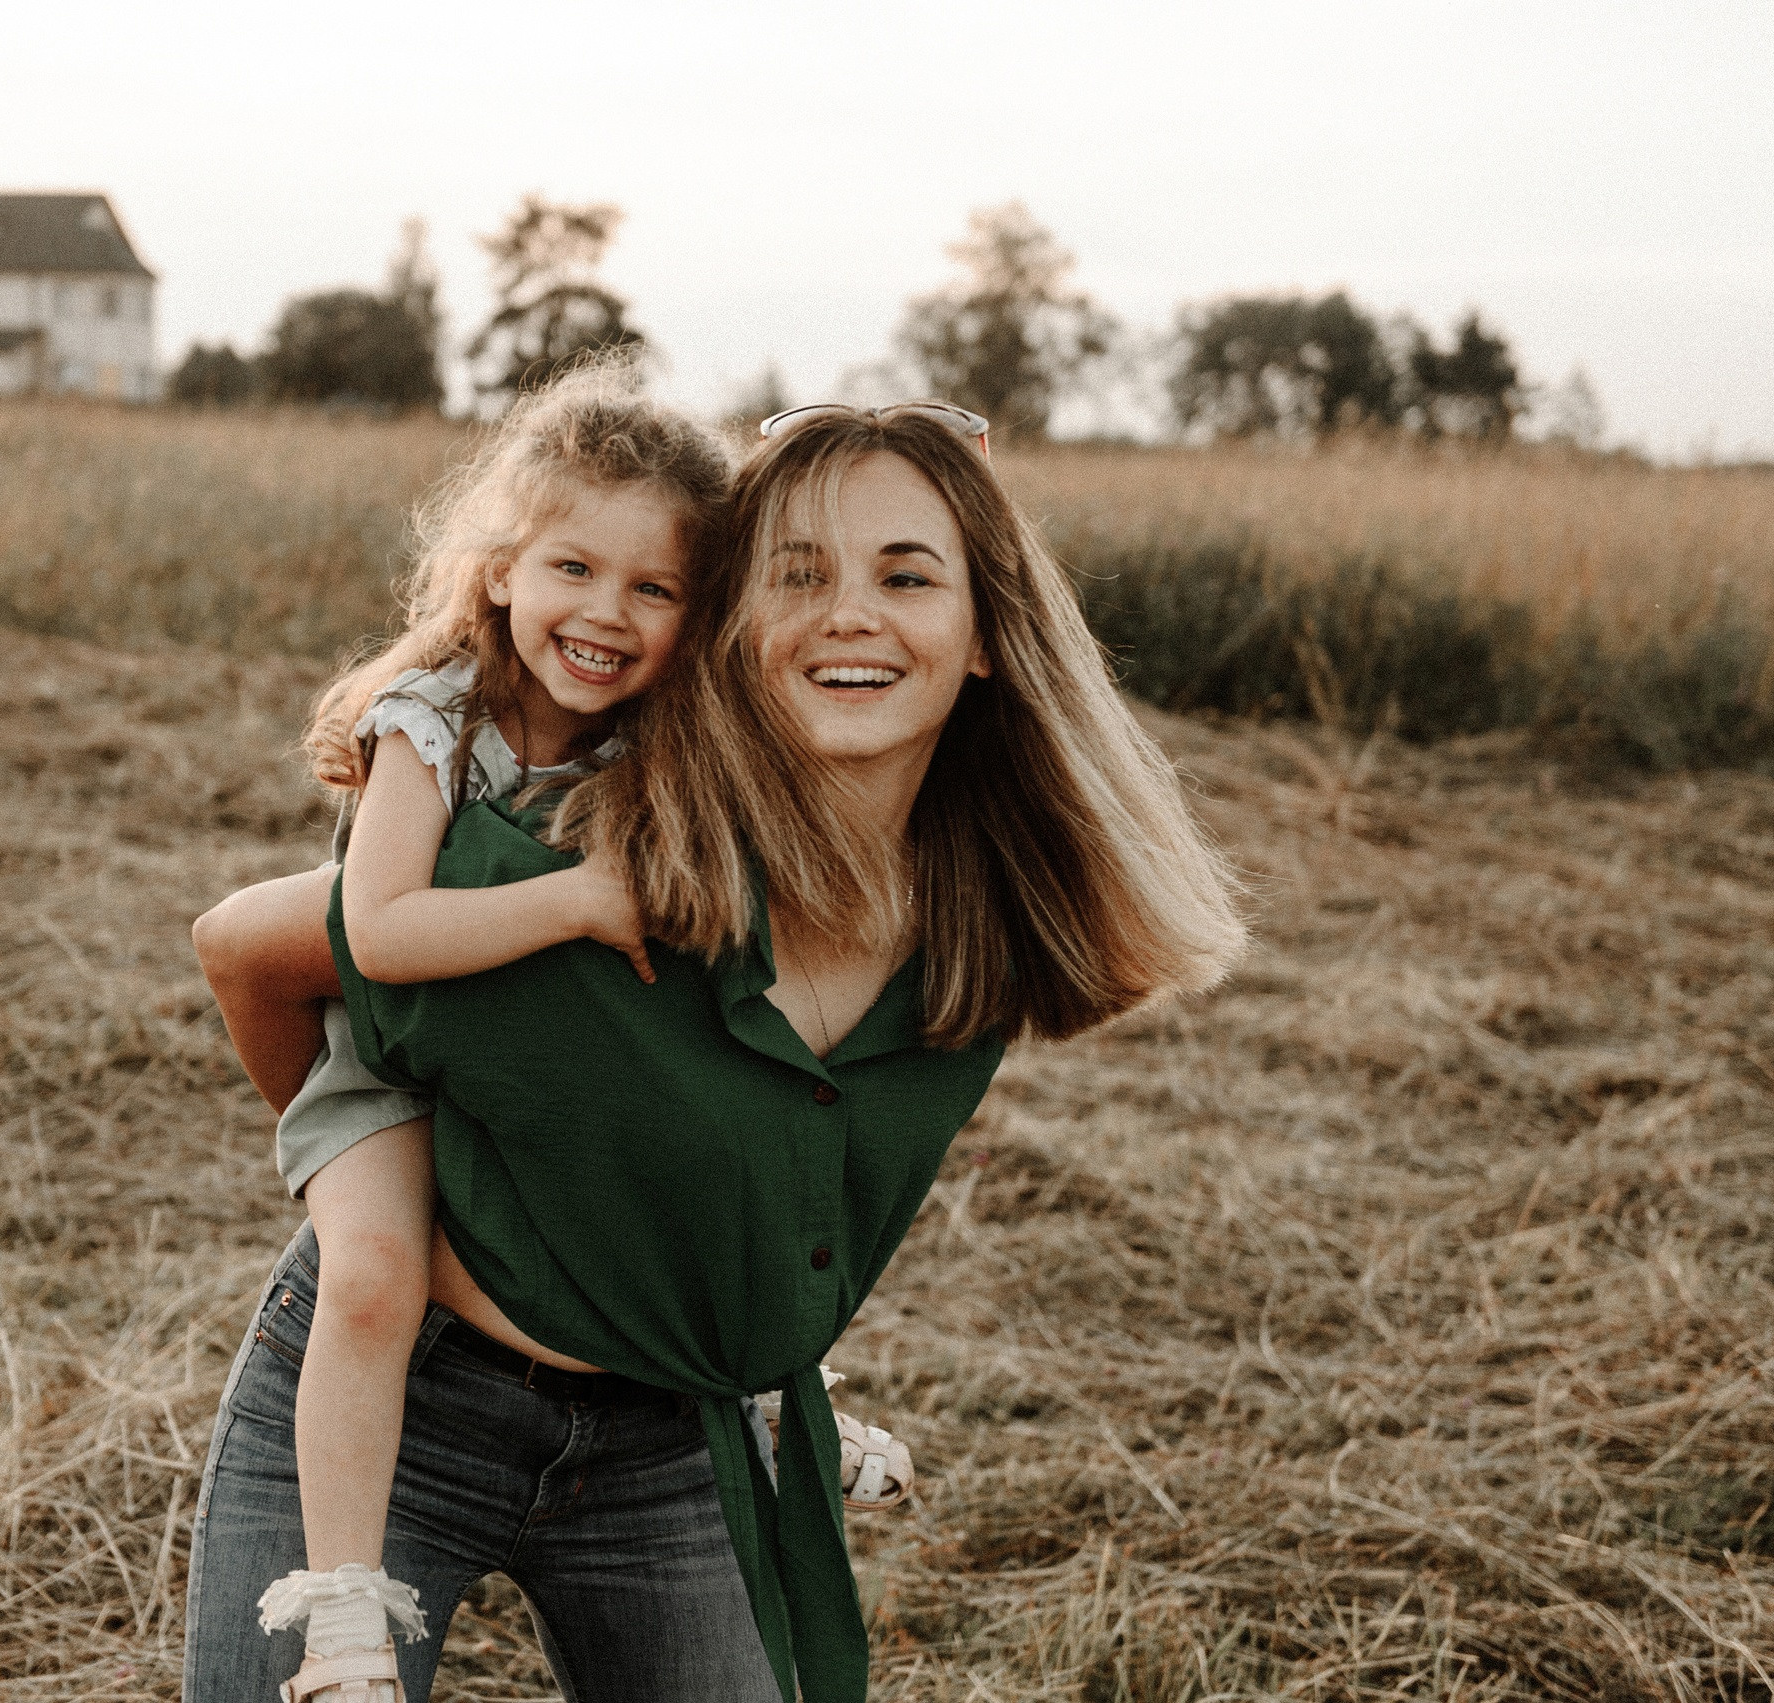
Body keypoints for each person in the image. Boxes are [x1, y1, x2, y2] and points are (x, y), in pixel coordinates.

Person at [185, 402, 1246, 1703]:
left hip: (676, 1430)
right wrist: (378, 1153)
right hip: (406, 1381)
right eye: (798, 576)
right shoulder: (606, 843)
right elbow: (246, 944)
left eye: (907, 575)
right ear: (740, 632)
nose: (850, 612)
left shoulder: (995, 923)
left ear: (986, 634)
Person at [192, 364, 733, 1702]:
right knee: (372, 1270)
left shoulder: (655, 749)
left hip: (533, 1090)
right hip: (386, 1070)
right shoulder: (434, 716)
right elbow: (377, 932)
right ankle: (346, 1616)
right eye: (572, 566)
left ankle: (778, 1386)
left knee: (689, 1172)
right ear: (497, 570)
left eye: (653, 588)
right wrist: (581, 899)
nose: (605, 611)